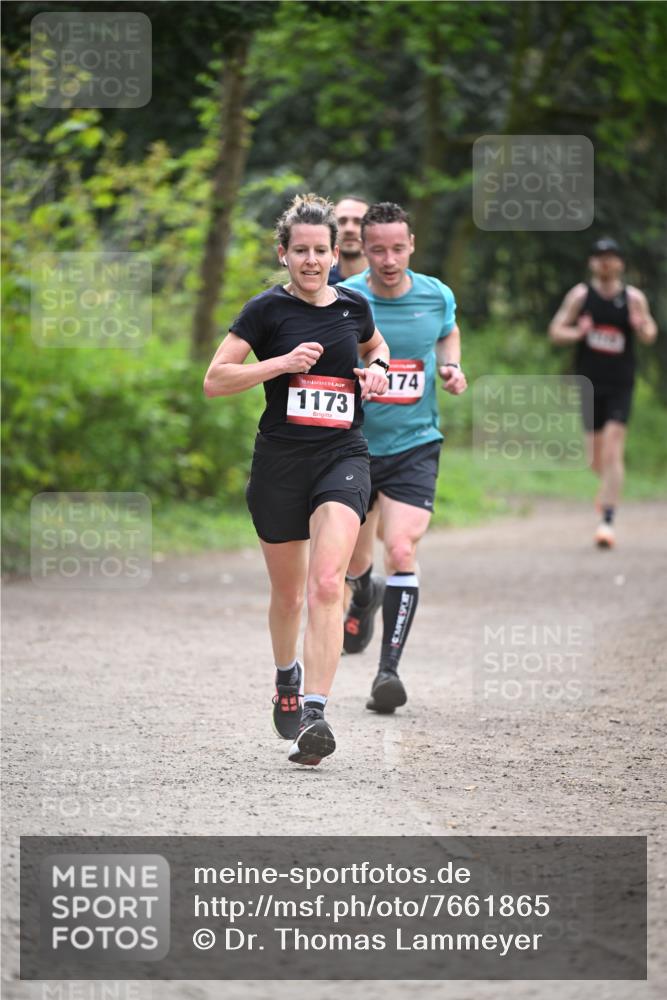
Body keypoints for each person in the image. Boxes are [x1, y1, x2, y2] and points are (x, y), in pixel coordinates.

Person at [204, 194, 389, 765]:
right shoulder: (265, 311)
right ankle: (287, 676)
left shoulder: (354, 306)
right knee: (287, 596)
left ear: (335, 254)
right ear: (283, 254)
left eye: (321, 251)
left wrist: (379, 370)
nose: (312, 261)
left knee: (327, 585)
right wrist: (280, 364)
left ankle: (314, 712)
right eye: (301, 251)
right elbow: (216, 379)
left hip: (343, 455)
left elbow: (376, 345)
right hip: (281, 463)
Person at [340, 202, 467, 713]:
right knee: (354, 562)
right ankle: (363, 595)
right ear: (363, 249)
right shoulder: (349, 299)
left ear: (412, 244)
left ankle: (387, 673)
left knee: (400, 550)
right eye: (377, 250)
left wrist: (450, 366)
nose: (388, 260)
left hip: (415, 443)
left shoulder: (436, 295)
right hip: (353, 446)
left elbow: (448, 331)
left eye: (397, 248)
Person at [548, 237, 657, 548]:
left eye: (611, 256)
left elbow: (650, 333)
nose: (605, 262)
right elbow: (556, 331)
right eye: (600, 256)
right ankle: (608, 490)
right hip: (589, 384)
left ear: (620, 263)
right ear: (592, 262)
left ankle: (607, 521)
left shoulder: (633, 298)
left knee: (613, 449)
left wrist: (640, 325)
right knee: (594, 459)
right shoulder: (580, 296)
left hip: (621, 384)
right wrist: (578, 332)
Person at [328, 195, 369, 285]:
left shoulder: (389, 280)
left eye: (358, 222)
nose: (349, 229)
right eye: (342, 221)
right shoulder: (321, 283)